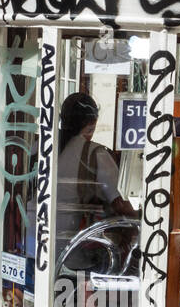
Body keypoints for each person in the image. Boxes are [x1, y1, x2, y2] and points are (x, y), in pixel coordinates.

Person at [56, 93, 134, 242]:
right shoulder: (96, 154)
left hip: (35, 236)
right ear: (92, 123)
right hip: (72, 243)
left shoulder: (41, 147)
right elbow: (120, 204)